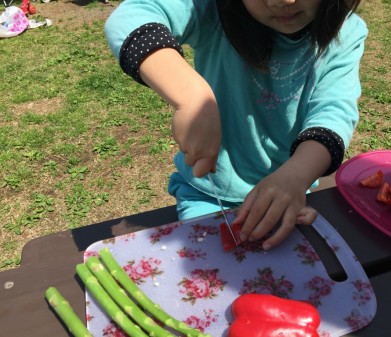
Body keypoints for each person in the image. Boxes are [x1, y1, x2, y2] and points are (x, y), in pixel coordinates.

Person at [105, 0, 367, 250]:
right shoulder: (214, 10)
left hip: (289, 191)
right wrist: (191, 96)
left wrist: (296, 177)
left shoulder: (346, 31)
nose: (283, 2)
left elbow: (333, 113)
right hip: (210, 195)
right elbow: (128, 18)